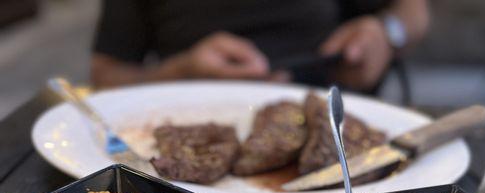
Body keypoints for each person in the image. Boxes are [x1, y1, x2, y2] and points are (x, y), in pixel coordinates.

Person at [91, 0, 429, 92]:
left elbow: (413, 12)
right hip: (185, 133)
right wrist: (181, 73)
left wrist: (387, 34)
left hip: (335, 122)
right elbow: (104, 72)